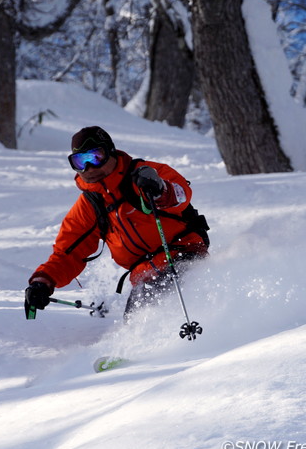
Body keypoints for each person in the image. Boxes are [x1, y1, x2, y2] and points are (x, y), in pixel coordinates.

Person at [24, 126, 209, 320]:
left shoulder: (144, 174)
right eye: (80, 161)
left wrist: (159, 189)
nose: (90, 168)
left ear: (110, 152)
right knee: (136, 319)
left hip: (183, 254)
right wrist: (42, 282)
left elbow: (181, 194)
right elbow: (68, 253)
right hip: (144, 274)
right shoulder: (90, 205)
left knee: (150, 308)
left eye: (96, 157)